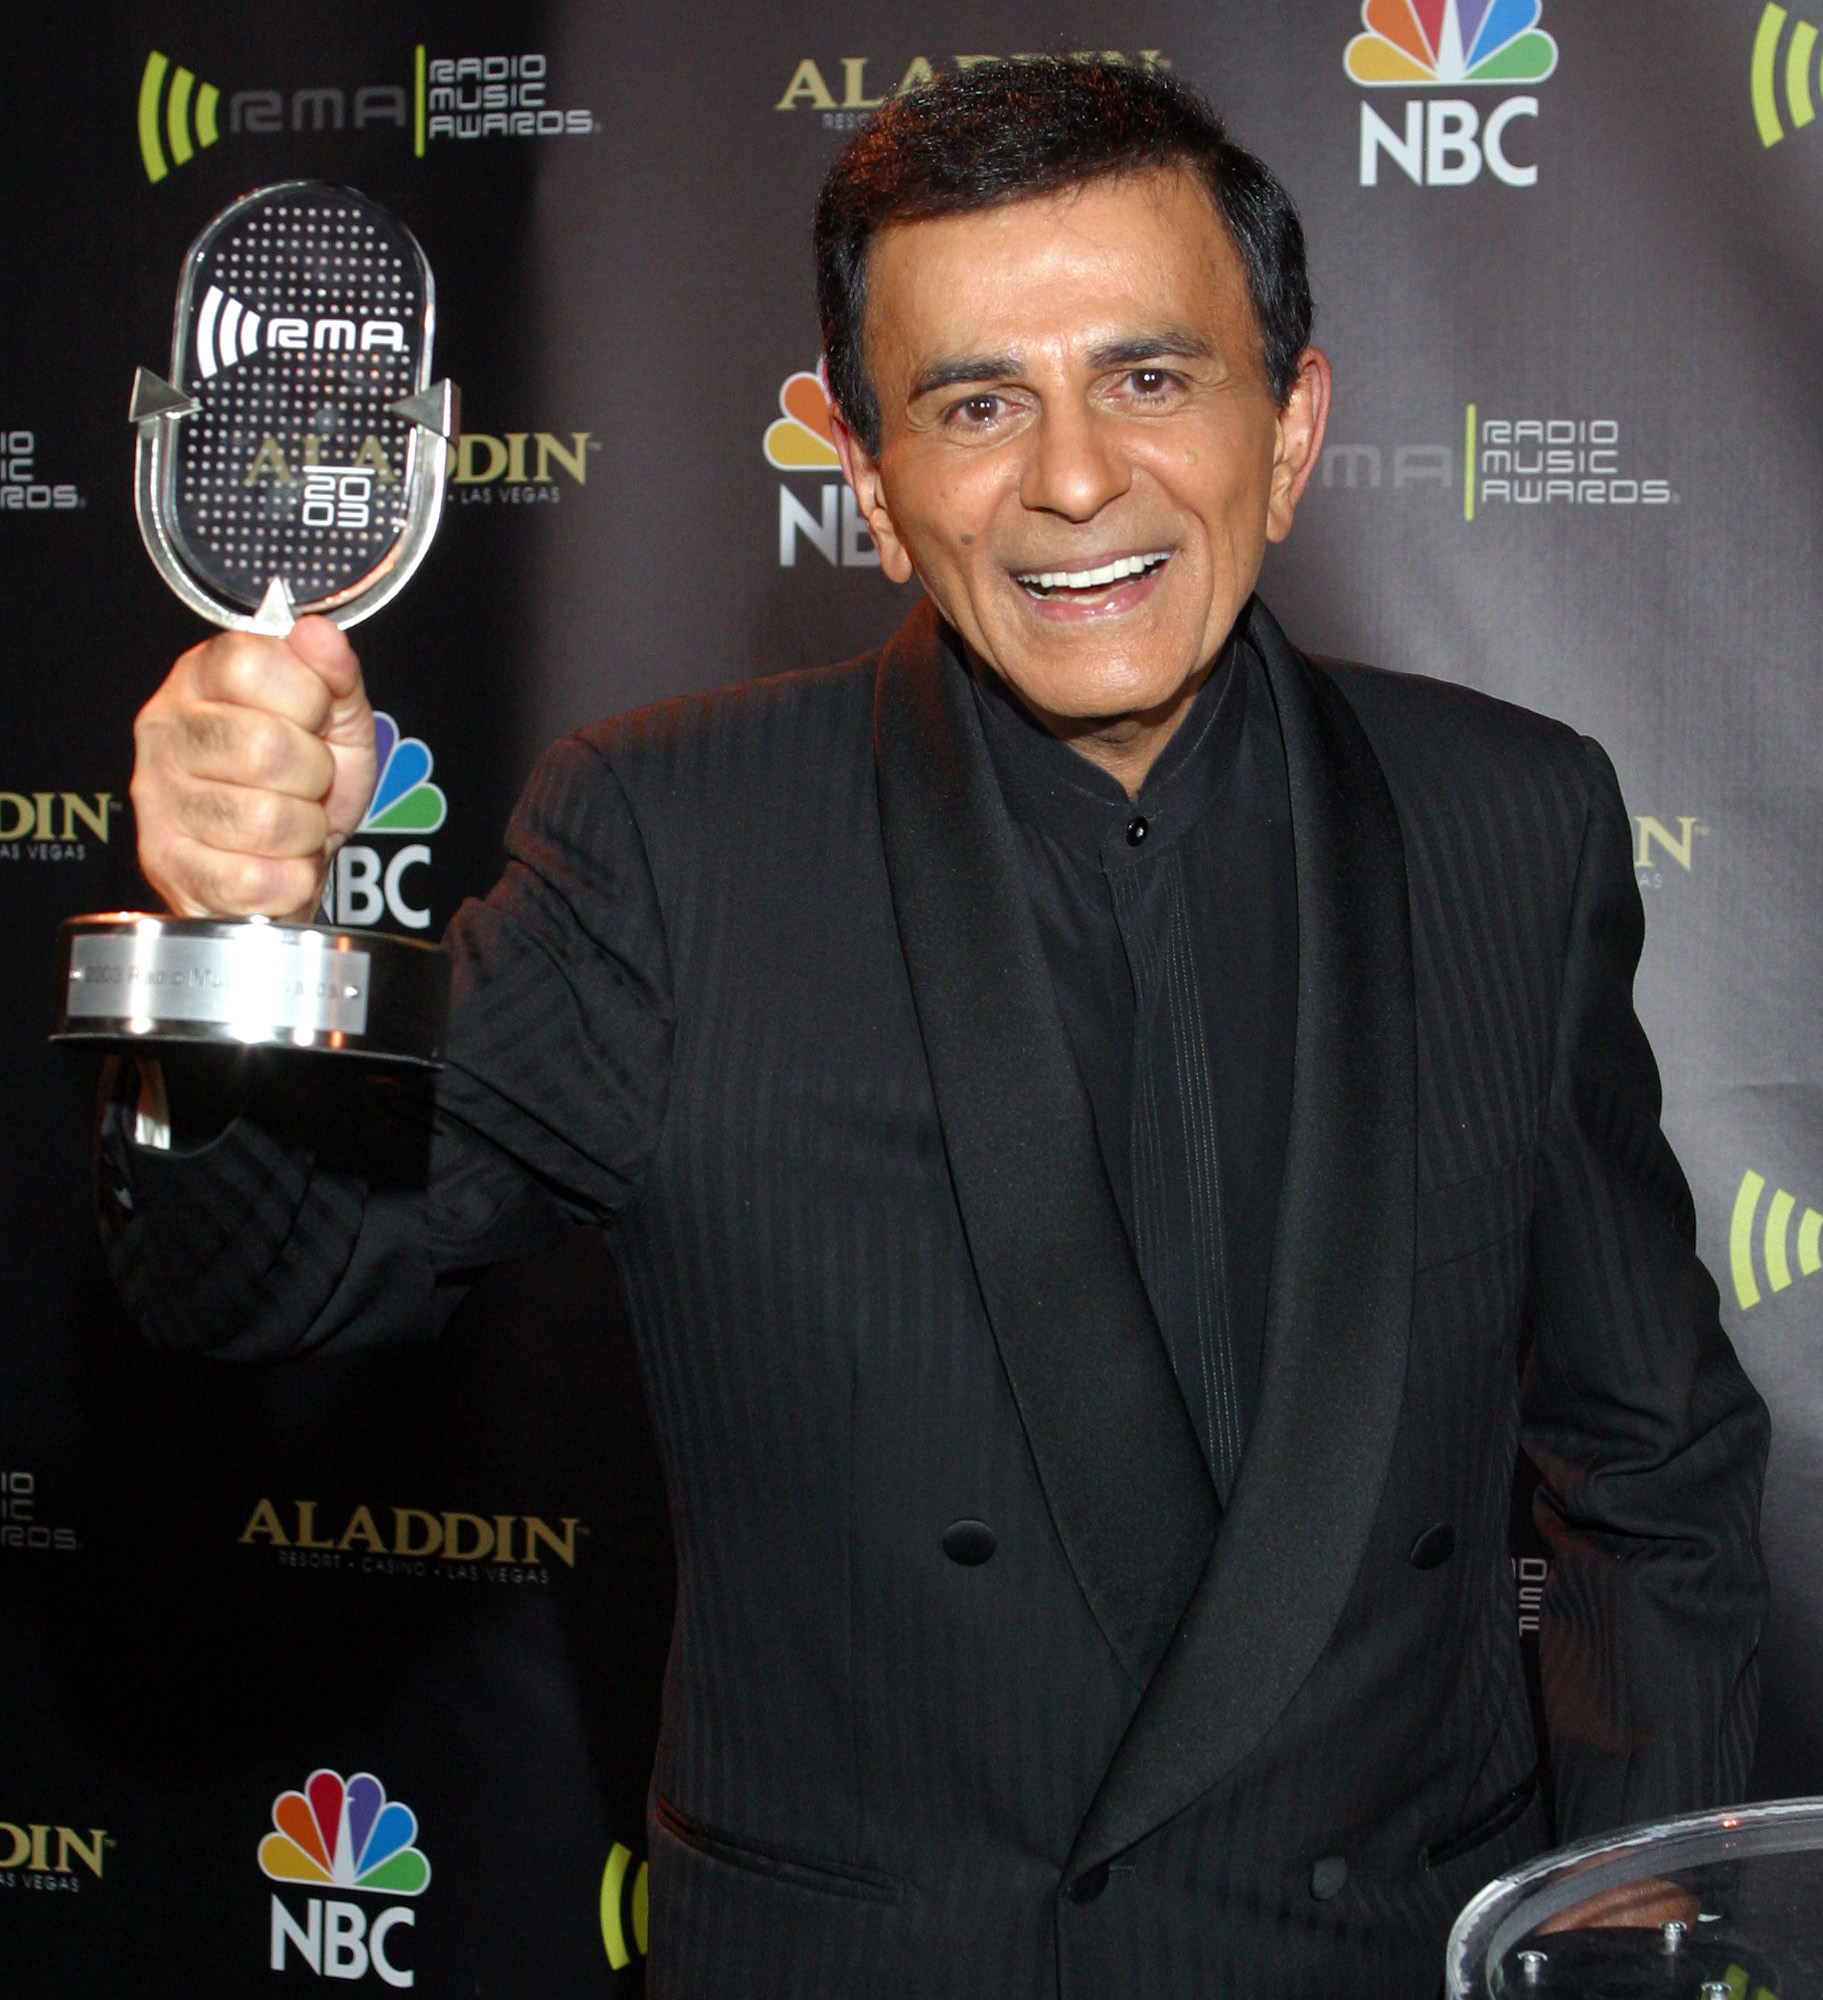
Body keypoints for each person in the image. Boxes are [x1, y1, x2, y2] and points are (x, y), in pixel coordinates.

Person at [102, 58, 1767, 1998]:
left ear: (1292, 428)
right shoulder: (669, 841)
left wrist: (1635, 1906)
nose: (1073, 479)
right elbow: (263, 1283)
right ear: (869, 479)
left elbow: (1652, 1451)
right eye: (977, 404)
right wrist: (234, 942)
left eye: (1152, 377)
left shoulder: (1513, 816)